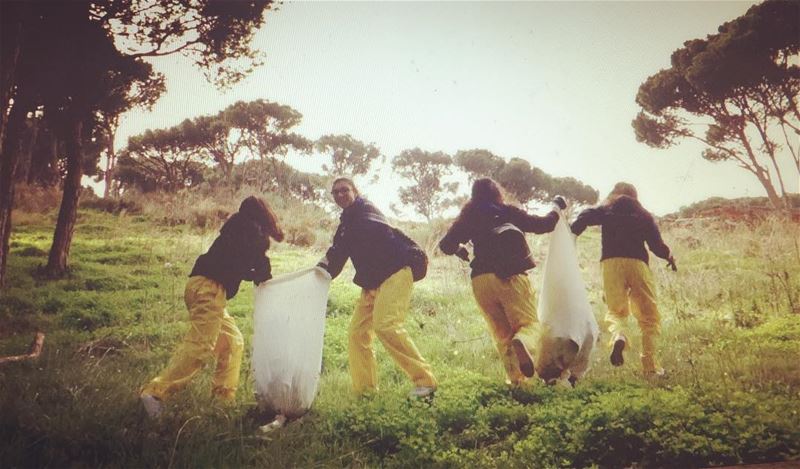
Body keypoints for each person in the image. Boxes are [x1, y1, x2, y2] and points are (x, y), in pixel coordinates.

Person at [140, 196, 284, 418]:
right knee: (201, 346)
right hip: (210, 290)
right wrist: (263, 266)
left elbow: (242, 267)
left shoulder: (234, 229)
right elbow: (259, 273)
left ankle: (222, 400)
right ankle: (155, 393)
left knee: (233, 341)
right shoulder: (252, 232)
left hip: (198, 286)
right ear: (264, 216)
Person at [317, 177, 437, 398]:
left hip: (396, 271)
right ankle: (366, 391)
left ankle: (425, 382)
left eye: (345, 190)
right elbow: (337, 252)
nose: (340, 195)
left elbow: (342, 248)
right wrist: (318, 272)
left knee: (386, 325)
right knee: (357, 333)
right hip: (373, 280)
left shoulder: (365, 212)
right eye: (335, 193)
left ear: (355, 191)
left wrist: (329, 262)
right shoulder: (348, 221)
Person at [439, 178, 565, 385]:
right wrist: (556, 207)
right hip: (510, 277)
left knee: (502, 336)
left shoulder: (468, 217)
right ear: (497, 193)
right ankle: (523, 342)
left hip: (480, 281)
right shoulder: (508, 212)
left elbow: (446, 245)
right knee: (529, 325)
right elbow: (545, 225)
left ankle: (517, 382)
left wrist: (460, 250)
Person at [570, 182, 676, 376]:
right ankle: (651, 366)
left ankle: (620, 335)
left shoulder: (607, 209)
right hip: (638, 264)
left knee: (616, 311)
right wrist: (668, 256)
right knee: (649, 317)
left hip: (611, 264)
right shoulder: (644, 215)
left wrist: (572, 232)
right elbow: (656, 245)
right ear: (635, 196)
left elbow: (585, 216)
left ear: (614, 194)